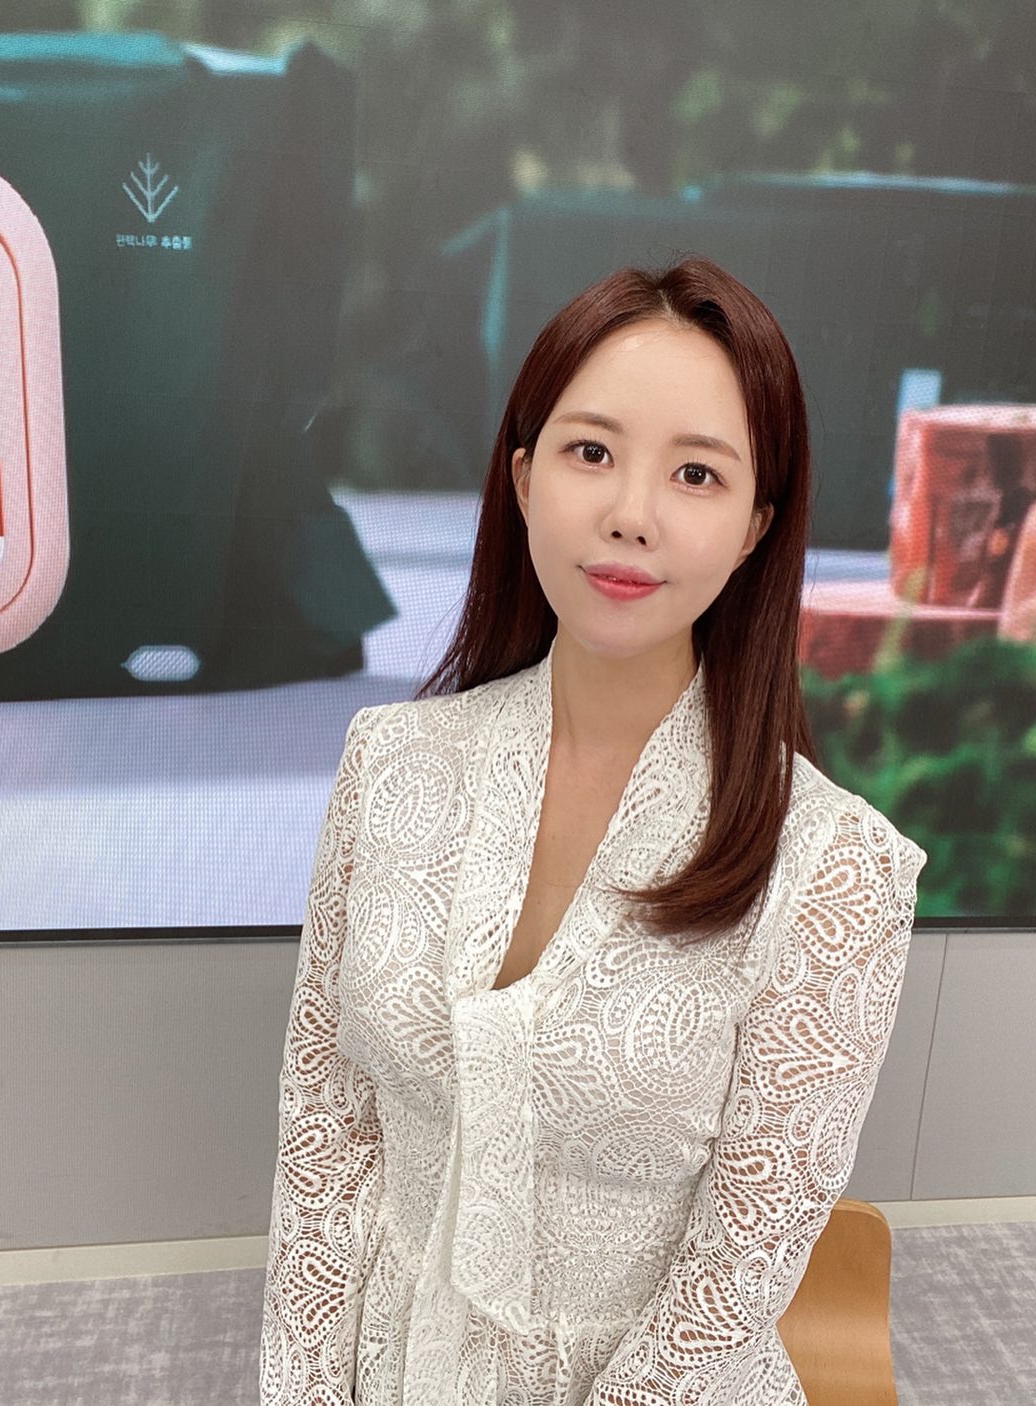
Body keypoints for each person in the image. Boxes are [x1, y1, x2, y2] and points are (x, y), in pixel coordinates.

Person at [259, 255, 928, 1406]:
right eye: (590, 452)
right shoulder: (386, 762)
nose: (630, 513)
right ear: (522, 477)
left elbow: (737, 1271)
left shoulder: (835, 867)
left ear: (755, 526)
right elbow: (325, 1138)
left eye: (696, 473)